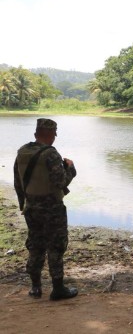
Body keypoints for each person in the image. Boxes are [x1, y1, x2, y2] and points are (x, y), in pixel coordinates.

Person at [13, 118, 78, 301]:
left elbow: (18, 182)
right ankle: (58, 289)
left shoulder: (22, 152)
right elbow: (61, 181)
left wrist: (22, 204)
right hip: (52, 209)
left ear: (36, 134)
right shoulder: (51, 154)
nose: (55, 137)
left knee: (36, 245)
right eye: (54, 134)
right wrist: (71, 169)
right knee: (56, 246)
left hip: (32, 207)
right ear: (50, 135)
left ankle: (35, 287)